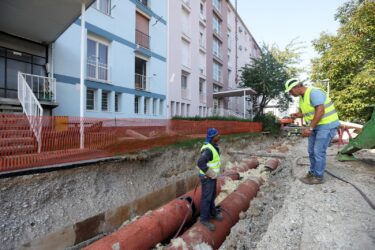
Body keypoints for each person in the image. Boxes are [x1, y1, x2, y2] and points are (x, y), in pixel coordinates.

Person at [285, 78, 340, 185]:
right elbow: (311, 112)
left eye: (291, 91)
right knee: (311, 151)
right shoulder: (302, 98)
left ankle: (318, 177)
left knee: (318, 151)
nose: (290, 94)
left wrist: (309, 128)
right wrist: (299, 115)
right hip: (316, 126)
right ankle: (313, 172)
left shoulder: (314, 93)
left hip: (326, 125)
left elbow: (320, 111)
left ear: (297, 87)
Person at [196, 128, 223, 231]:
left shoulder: (213, 146)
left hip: (211, 177)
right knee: (206, 198)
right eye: (217, 135)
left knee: (212, 196)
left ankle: (213, 213)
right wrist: (211, 174)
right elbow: (200, 163)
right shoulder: (208, 150)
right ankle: (204, 219)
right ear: (213, 137)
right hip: (207, 178)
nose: (219, 136)